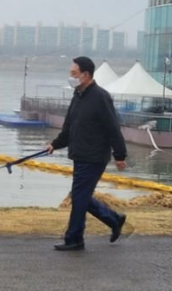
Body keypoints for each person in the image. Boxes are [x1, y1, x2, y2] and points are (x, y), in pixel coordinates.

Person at [47, 56, 128, 251]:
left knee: (79, 196)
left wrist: (120, 155)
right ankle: (114, 219)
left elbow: (113, 127)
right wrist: (55, 144)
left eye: (73, 74)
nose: (71, 77)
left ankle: (74, 238)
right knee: (80, 196)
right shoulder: (78, 95)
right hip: (80, 154)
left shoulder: (101, 97)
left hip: (94, 157)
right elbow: (70, 126)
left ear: (86, 75)